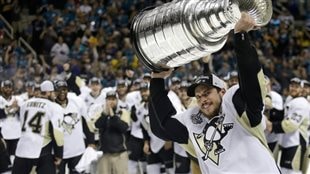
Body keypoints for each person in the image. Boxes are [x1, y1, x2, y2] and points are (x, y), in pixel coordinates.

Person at [148, 13, 281, 173]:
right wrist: (156, 81)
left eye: (206, 93)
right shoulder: (193, 121)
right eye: (198, 96)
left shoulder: (236, 108)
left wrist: (241, 38)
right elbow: (161, 126)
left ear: (222, 91)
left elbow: (252, 85)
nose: (202, 99)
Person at [12, 80, 64, 174]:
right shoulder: (54, 107)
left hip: (22, 149)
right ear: (48, 92)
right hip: (42, 150)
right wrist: (59, 155)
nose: (55, 95)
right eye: (53, 92)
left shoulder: (25, 104)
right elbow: (58, 134)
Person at [266, 78, 310, 174]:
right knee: (283, 170)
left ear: (302, 90)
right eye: (292, 86)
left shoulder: (302, 103)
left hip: (296, 144)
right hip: (287, 143)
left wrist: (272, 126)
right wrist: (271, 111)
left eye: (297, 87)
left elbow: (290, 125)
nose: (293, 88)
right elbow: (284, 115)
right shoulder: (290, 99)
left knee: (292, 172)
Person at [54, 80, 95, 174]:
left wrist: (91, 141)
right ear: (54, 91)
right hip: (58, 152)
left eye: (64, 89)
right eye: (59, 90)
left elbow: (86, 122)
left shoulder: (77, 102)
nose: (62, 92)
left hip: (77, 149)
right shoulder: (51, 106)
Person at [94, 91, 130, 174]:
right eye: (109, 99)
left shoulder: (123, 112)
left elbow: (124, 128)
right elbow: (97, 125)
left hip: (120, 154)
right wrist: (105, 114)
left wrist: (113, 116)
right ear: (106, 101)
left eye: (113, 99)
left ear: (117, 101)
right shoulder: (101, 113)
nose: (111, 101)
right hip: (104, 154)